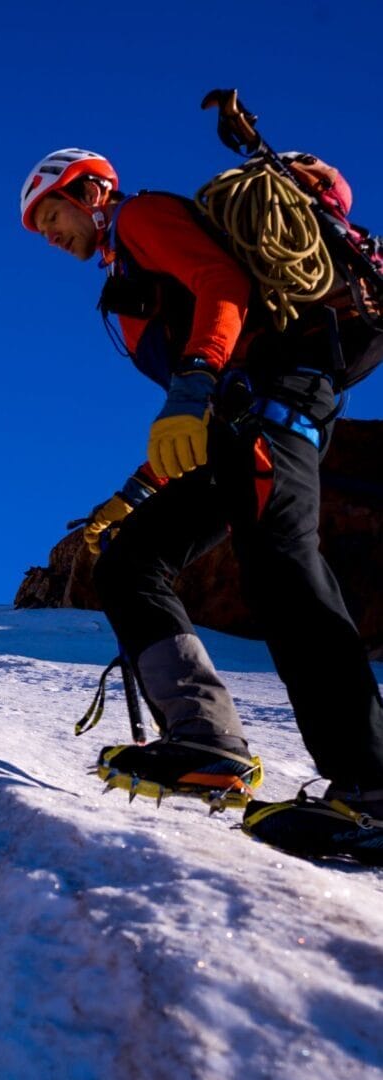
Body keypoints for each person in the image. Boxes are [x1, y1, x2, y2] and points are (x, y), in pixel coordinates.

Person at [22, 147, 383, 855]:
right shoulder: (125, 261)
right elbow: (203, 412)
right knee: (131, 562)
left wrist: (191, 383)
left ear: (89, 190)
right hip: (239, 420)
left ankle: (371, 786)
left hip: (272, 408)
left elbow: (222, 284)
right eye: (39, 228)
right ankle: (206, 744)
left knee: (281, 567)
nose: (49, 234)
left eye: (51, 213)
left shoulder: (141, 217)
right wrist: (136, 493)